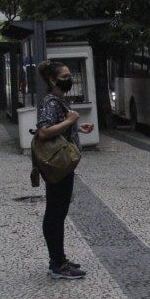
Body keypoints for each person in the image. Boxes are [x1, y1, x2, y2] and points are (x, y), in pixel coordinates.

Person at [36, 61, 94, 279]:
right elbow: (44, 131)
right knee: (55, 213)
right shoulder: (51, 102)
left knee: (58, 212)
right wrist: (70, 119)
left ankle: (59, 259)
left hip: (63, 163)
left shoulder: (57, 100)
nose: (70, 78)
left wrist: (76, 126)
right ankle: (57, 264)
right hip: (57, 164)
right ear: (53, 80)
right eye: (66, 75)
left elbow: (57, 127)